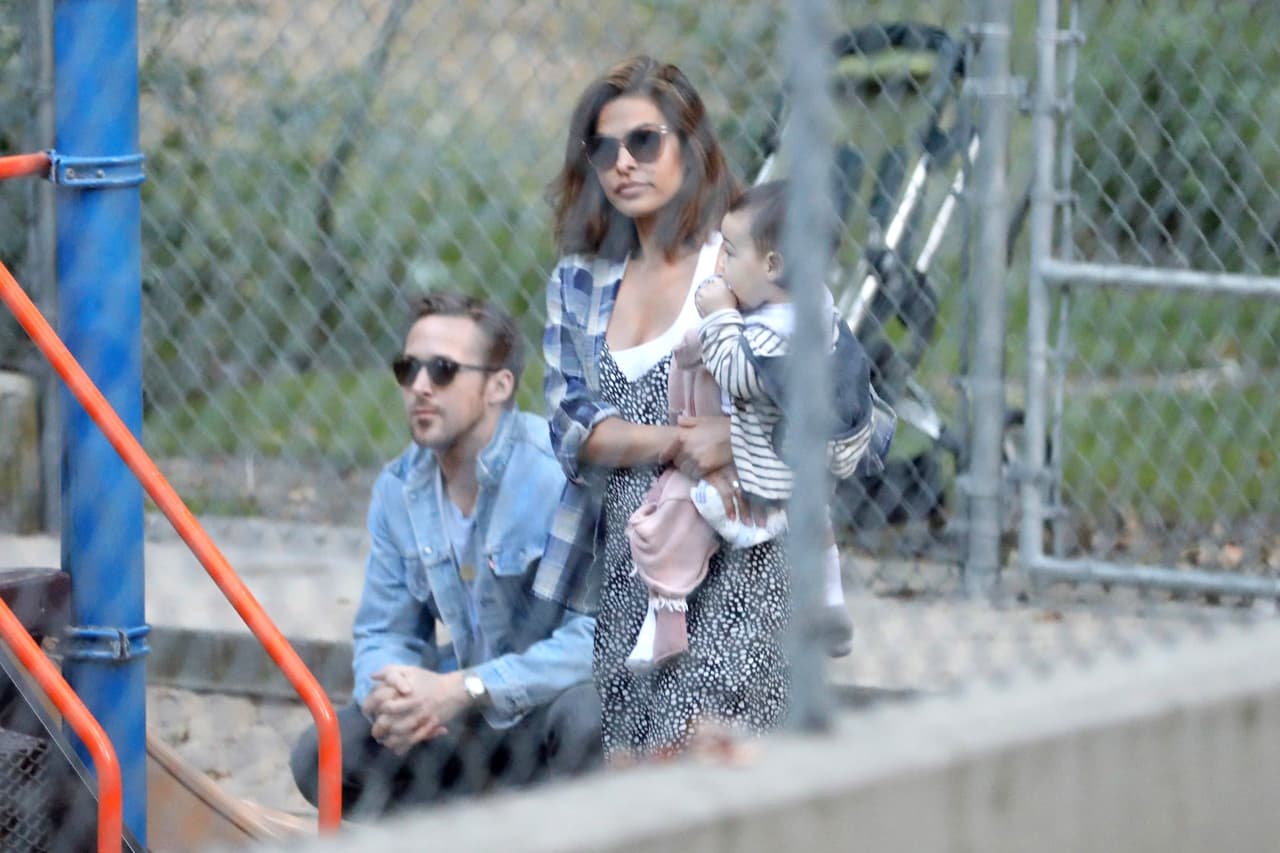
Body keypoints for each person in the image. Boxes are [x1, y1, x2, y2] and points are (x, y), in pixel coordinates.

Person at [537, 56, 872, 761]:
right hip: (635, 555)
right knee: (630, 759)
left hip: (743, 555)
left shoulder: (743, 261)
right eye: (603, 148)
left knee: (698, 755)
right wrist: (680, 439)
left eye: (644, 141)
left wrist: (743, 436)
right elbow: (572, 427)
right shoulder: (578, 280)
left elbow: (853, 410)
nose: (622, 162)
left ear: (691, 147)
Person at [290, 292, 601, 817]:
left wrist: (467, 686)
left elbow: (599, 637)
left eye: (443, 370)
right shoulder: (398, 489)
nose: (420, 387)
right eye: (407, 369)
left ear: (499, 385)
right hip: (465, 722)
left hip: (546, 708)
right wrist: (393, 696)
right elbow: (385, 632)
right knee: (322, 753)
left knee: (591, 720)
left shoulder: (557, 473)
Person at [624, 180, 893, 668]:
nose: (719, 263)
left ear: (772, 267)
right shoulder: (814, 310)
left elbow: (739, 372)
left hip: (758, 469)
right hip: (800, 470)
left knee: (675, 514)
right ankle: (828, 599)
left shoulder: (772, 332)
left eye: (729, 251)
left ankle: (666, 625)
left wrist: (720, 317)